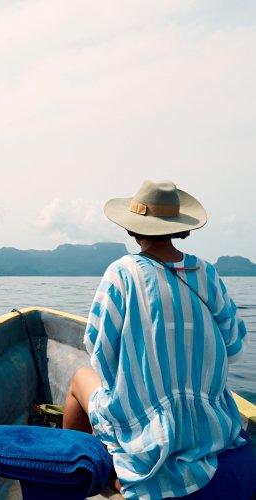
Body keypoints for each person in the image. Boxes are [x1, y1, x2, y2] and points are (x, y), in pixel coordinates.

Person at [62, 180, 255, 499]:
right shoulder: (205, 272)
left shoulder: (122, 272)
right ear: (179, 226)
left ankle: (80, 478)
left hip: (145, 433)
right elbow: (233, 342)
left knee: (81, 378)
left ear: (132, 228)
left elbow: (97, 349)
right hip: (209, 426)